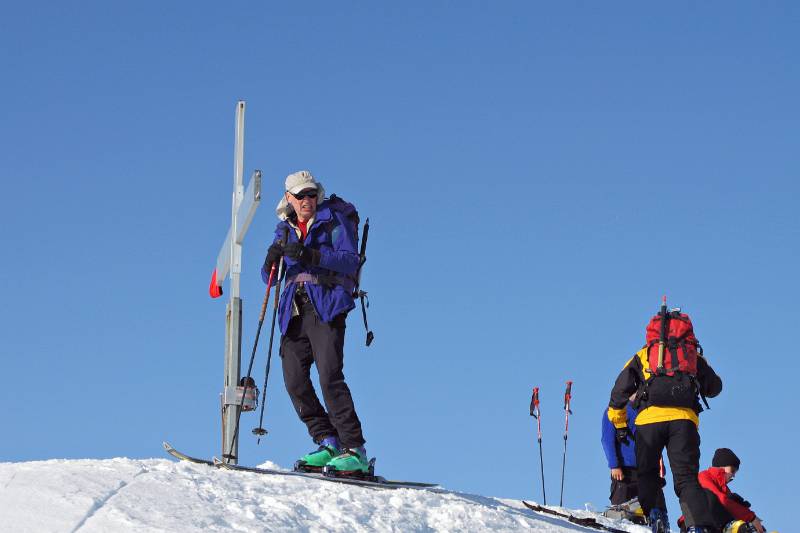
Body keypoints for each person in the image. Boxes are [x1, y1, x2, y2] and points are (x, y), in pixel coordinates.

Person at [262, 170, 368, 475]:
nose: (307, 200)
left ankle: (354, 448)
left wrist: (311, 254)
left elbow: (350, 260)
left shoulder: (333, 220)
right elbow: (268, 277)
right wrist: (271, 260)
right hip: (294, 309)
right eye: (300, 196)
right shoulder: (284, 230)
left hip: (327, 304)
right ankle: (327, 440)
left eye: (311, 194)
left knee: (329, 377)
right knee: (294, 380)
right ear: (289, 199)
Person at [608, 306, 723, 533]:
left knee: (648, 473)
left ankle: (657, 516)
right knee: (687, 478)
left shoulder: (642, 356)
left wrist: (620, 424)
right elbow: (715, 388)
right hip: (683, 421)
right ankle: (696, 527)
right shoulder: (692, 356)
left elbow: (618, 393)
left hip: (648, 421)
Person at [677, 448, 766, 533]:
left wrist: (749, 522)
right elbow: (721, 500)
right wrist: (751, 517)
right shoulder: (703, 477)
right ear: (722, 466)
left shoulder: (725, 489)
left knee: (736, 513)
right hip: (693, 522)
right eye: (732, 470)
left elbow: (729, 509)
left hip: (713, 526)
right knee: (717, 500)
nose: (733, 475)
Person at [600, 400, 666, 512]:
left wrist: (660, 462)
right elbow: (607, 440)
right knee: (622, 513)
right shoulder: (614, 411)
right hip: (624, 473)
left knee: (656, 511)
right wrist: (614, 465)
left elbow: (654, 440)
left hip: (648, 470)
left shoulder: (649, 411)